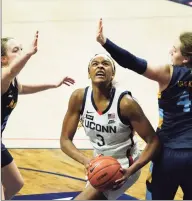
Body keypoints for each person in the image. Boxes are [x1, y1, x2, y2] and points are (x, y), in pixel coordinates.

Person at [96, 18, 192, 200]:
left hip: (168, 152)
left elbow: (133, 62)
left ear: (186, 57)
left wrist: (105, 42)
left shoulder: (168, 73)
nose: (171, 51)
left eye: (175, 49)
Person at [60, 53, 160, 200]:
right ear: (89, 73)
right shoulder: (79, 98)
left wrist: (131, 170)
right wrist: (86, 161)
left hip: (123, 166)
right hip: (98, 163)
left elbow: (153, 141)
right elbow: (65, 140)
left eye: (105, 63)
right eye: (95, 63)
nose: (100, 66)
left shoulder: (126, 104)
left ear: (112, 74)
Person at [1, 31, 75, 200]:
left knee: (15, 184)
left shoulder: (13, 82)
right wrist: (29, 53)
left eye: (21, 49)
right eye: (15, 50)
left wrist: (53, 84)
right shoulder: (2, 77)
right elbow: (11, 71)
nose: (20, 52)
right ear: (2, 59)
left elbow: (24, 89)